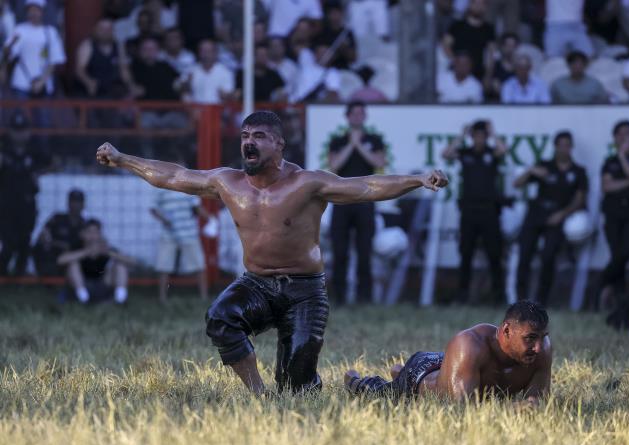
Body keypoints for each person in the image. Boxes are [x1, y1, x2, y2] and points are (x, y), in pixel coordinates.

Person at [95, 110, 449, 394]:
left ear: (279, 145)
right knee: (220, 318)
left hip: (305, 291)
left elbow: (367, 186)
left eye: (259, 137)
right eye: (245, 137)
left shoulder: (307, 183)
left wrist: (416, 180)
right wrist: (123, 159)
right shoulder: (227, 182)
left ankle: (333, 386)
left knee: (297, 388)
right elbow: (173, 176)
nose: (249, 143)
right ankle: (257, 394)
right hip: (257, 284)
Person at [345, 300, 551, 405]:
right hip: (421, 373)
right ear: (506, 330)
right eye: (530, 338)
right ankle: (354, 378)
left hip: (455, 365)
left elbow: (537, 401)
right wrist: (512, 409)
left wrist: (531, 406)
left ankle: (398, 371)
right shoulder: (470, 344)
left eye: (542, 337)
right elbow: (461, 409)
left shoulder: (541, 349)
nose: (538, 347)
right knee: (384, 394)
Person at [514, 131, 588, 305]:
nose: (564, 149)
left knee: (548, 255)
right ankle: (519, 300)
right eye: (560, 145)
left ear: (571, 147)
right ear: (555, 147)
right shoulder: (545, 166)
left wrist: (562, 214)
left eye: (567, 145)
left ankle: (541, 300)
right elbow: (517, 184)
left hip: (558, 215)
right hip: (536, 213)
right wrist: (531, 169)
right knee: (525, 253)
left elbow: (580, 199)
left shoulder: (578, 171)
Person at [328, 102, 387, 306]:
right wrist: (350, 144)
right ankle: (340, 298)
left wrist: (359, 145)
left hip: (366, 200)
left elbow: (379, 163)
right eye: (354, 113)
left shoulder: (374, 140)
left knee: (364, 251)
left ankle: (364, 298)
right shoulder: (338, 140)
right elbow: (334, 166)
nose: (358, 116)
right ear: (347, 116)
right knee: (340, 252)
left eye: (362, 113)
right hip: (341, 200)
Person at [442, 120, 507, 304]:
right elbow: (446, 154)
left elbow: (502, 150)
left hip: (489, 210)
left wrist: (493, 133)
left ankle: (498, 296)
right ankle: (462, 295)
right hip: (469, 210)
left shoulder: (491, 153)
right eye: (476, 136)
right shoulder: (465, 153)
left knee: (494, 253)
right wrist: (461, 135)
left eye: (482, 136)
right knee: (466, 253)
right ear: (472, 137)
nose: (479, 139)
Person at [597, 120, 629, 309]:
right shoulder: (609, 162)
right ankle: (619, 299)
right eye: (621, 134)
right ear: (615, 138)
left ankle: (600, 284)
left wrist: (623, 158)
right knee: (617, 254)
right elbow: (607, 186)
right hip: (613, 214)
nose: (625, 138)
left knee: (625, 252)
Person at [0, 112, 48, 275]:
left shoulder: (35, 148)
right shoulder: (3, 146)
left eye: (22, 130)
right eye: (16, 130)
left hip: (27, 202)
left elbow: (52, 163)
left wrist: (38, 174)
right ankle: (4, 274)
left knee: (24, 240)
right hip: (5, 202)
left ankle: (19, 276)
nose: (19, 134)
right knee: (8, 241)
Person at [150, 187, 210, 303]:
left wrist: (209, 218)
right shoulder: (162, 186)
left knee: (199, 265)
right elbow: (153, 208)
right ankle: (162, 298)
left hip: (189, 232)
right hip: (169, 233)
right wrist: (164, 220)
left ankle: (204, 297)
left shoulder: (188, 185)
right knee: (164, 266)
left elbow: (196, 207)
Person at [57, 219, 133, 304]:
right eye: (89, 232)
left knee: (120, 265)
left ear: (100, 234)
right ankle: (83, 299)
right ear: (83, 234)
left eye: (96, 232)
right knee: (72, 265)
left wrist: (108, 253)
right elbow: (60, 260)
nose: (93, 236)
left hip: (103, 284)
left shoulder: (106, 248)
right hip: (82, 284)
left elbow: (131, 262)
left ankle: (121, 300)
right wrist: (86, 252)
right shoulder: (77, 247)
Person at [33, 189, 86, 276]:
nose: (75, 205)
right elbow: (43, 236)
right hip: (54, 254)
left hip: (72, 257)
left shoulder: (84, 225)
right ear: (68, 203)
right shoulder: (57, 219)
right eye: (73, 201)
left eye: (78, 202)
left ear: (83, 205)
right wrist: (56, 243)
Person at [74, 17, 132, 98]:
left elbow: (124, 70)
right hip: (89, 91)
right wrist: (88, 82)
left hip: (112, 90)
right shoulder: (87, 46)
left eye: (109, 29)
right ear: (95, 30)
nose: (105, 32)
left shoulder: (118, 47)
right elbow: (79, 70)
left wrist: (131, 85)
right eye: (102, 28)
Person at [442, 0, 496, 80]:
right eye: (475, 3)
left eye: (482, 4)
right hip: (455, 75)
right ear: (469, 5)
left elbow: (491, 55)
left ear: (485, 7)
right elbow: (445, 45)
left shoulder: (489, 29)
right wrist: (456, 62)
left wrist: (488, 77)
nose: (478, 6)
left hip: (477, 75)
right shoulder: (457, 25)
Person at [180, 39, 234, 104]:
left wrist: (226, 96)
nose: (206, 55)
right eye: (203, 51)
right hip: (195, 110)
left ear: (215, 53)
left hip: (218, 111)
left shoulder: (225, 72)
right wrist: (187, 84)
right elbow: (182, 92)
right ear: (199, 53)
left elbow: (228, 95)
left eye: (209, 51)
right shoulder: (190, 71)